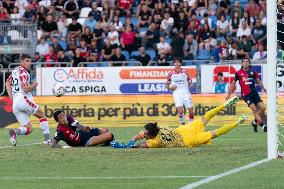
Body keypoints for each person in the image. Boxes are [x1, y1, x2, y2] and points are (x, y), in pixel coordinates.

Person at [111, 96, 246, 148]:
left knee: (214, 133)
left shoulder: (155, 142)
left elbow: (141, 146)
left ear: (150, 135)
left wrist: (132, 144)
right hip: (184, 130)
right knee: (205, 117)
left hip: (187, 140)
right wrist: (139, 135)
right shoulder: (159, 127)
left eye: (145, 133)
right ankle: (224, 105)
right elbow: (148, 131)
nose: (144, 134)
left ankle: (237, 122)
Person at [5, 54, 51, 146]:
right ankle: (48, 140)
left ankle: (14, 131)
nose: (29, 63)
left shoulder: (15, 71)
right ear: (21, 62)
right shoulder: (24, 73)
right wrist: (35, 84)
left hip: (16, 103)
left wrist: (12, 98)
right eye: (27, 61)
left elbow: (7, 83)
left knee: (29, 129)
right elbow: (26, 89)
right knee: (42, 115)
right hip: (23, 99)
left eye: (30, 61)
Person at [226, 58, 267, 132]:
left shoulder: (253, 72)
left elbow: (258, 81)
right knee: (254, 108)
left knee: (263, 108)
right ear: (242, 64)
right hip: (246, 95)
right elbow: (232, 84)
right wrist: (229, 94)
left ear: (249, 63)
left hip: (254, 93)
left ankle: (254, 122)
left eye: (247, 62)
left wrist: (264, 88)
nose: (245, 63)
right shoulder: (238, 73)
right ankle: (262, 125)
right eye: (244, 62)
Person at [166, 57, 194, 124]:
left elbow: (191, 83)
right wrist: (170, 87)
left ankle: (190, 125)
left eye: (178, 62)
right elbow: (166, 85)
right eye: (175, 62)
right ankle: (183, 124)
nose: (176, 64)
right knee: (180, 111)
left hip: (186, 93)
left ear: (180, 63)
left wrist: (188, 87)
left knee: (191, 111)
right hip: (177, 94)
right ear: (173, 63)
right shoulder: (170, 74)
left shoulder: (185, 72)